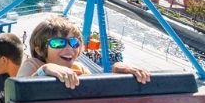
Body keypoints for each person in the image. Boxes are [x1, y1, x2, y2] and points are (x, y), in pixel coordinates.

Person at [18, 15, 150, 88]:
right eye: (58, 43)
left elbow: (98, 89)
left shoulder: (79, 69)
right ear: (40, 50)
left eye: (74, 42)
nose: (69, 48)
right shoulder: (33, 65)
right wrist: (45, 70)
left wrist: (117, 72)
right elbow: (17, 93)